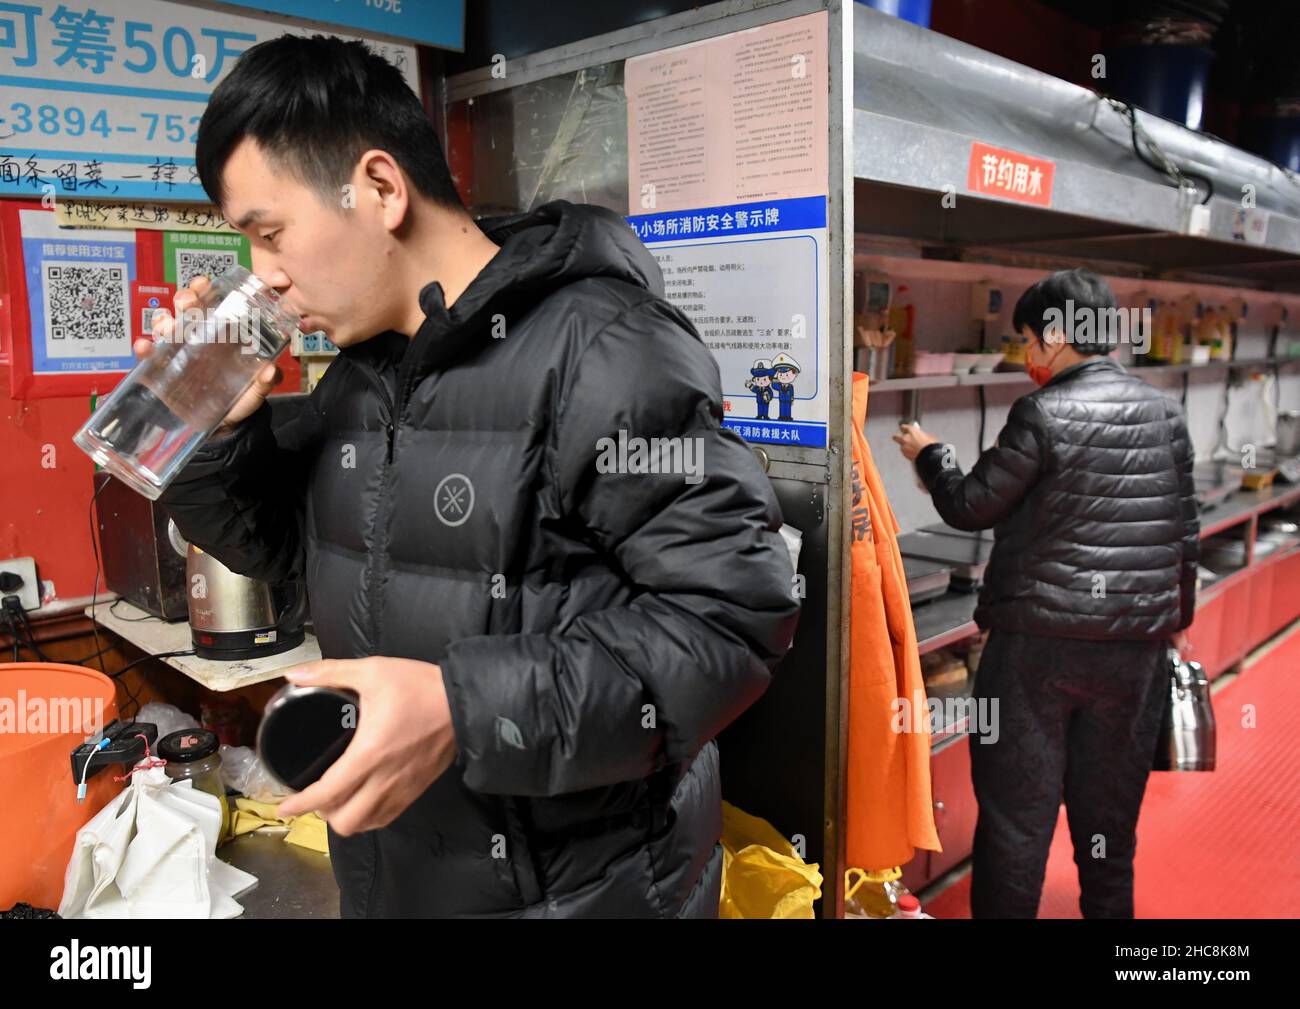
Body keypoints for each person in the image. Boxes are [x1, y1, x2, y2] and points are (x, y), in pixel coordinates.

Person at [146, 35, 800, 918]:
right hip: (394, 883)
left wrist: (464, 707)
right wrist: (226, 431)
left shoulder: (604, 351)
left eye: (270, 233)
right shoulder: (364, 373)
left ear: (379, 188)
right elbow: (280, 552)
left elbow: (732, 624)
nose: (265, 274)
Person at [892, 268, 1199, 919]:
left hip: (1036, 653)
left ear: (1056, 336)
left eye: (1030, 338)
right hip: (1132, 653)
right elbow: (1185, 529)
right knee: (1108, 830)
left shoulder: (1043, 410)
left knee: (1015, 826)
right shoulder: (1164, 410)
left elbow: (974, 504)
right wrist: (1176, 620)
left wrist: (930, 456)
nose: (1028, 354)